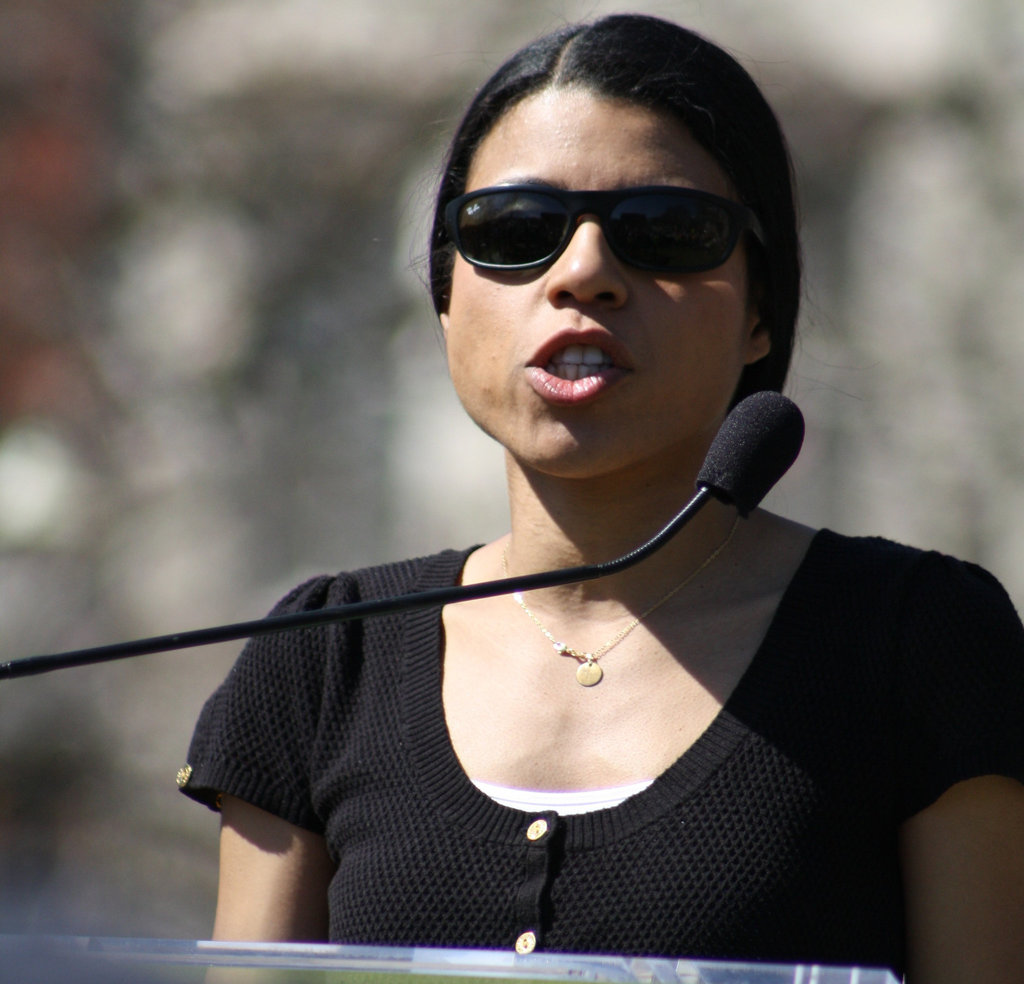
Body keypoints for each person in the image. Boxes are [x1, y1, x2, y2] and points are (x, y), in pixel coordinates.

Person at [178, 14, 1024, 983]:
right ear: (446, 294)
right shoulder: (324, 659)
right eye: (513, 232)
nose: (583, 274)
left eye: (664, 232)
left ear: (759, 311)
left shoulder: (918, 642)